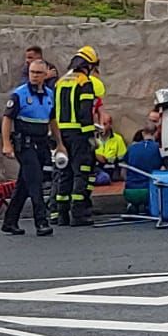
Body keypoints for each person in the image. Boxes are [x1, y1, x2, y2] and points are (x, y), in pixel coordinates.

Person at [0, 56, 56, 238]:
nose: (34, 76)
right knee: (35, 181)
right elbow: (7, 119)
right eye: (32, 72)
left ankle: (10, 221)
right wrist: (7, 144)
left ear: (46, 74)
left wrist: (60, 144)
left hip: (41, 143)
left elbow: (53, 121)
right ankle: (41, 222)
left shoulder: (49, 95)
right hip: (24, 144)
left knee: (24, 184)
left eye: (39, 73)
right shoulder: (20, 94)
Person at [53, 46, 104, 227]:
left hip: (61, 134)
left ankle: (61, 214)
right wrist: (91, 136)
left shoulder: (60, 82)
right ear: (89, 65)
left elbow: (53, 111)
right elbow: (85, 112)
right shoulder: (84, 82)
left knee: (64, 173)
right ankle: (78, 214)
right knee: (82, 173)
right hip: (79, 135)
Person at [122, 124, 162, 214]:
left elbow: (123, 170)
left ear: (143, 133)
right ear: (156, 133)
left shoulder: (131, 148)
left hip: (130, 191)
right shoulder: (158, 148)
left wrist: (128, 181)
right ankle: (150, 205)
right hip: (149, 191)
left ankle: (132, 204)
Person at [94, 113, 127, 182]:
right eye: (99, 124)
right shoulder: (92, 139)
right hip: (97, 171)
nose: (102, 127)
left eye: (104, 124)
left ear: (110, 124)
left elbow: (123, 160)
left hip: (113, 172)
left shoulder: (118, 139)